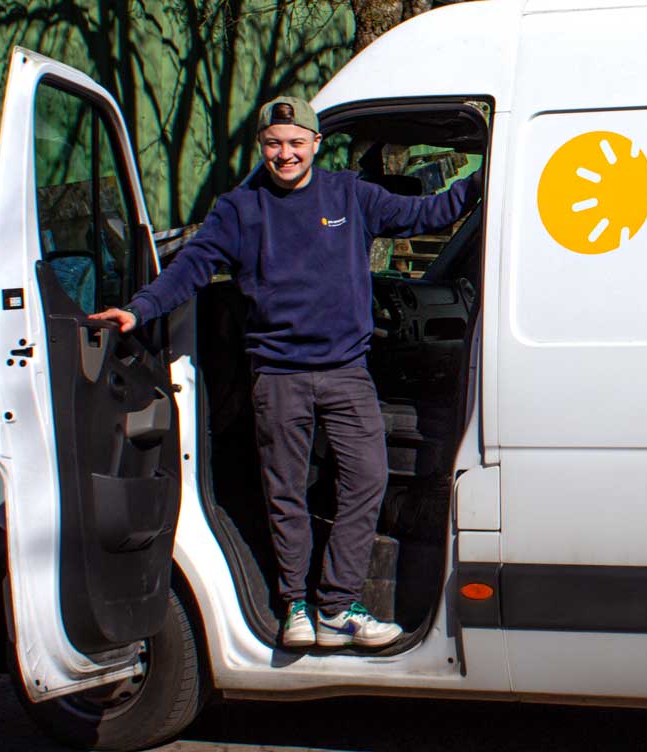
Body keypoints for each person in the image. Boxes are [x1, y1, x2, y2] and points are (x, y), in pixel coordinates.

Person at [90, 96, 481, 650]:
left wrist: (486, 175)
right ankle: (296, 604)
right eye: (274, 144)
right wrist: (140, 309)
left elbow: (429, 214)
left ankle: (337, 607)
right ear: (262, 146)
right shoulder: (239, 209)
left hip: (346, 372)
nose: (286, 154)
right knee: (286, 493)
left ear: (316, 144)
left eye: (297, 142)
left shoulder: (350, 194)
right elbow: (193, 266)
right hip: (278, 377)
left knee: (367, 480)